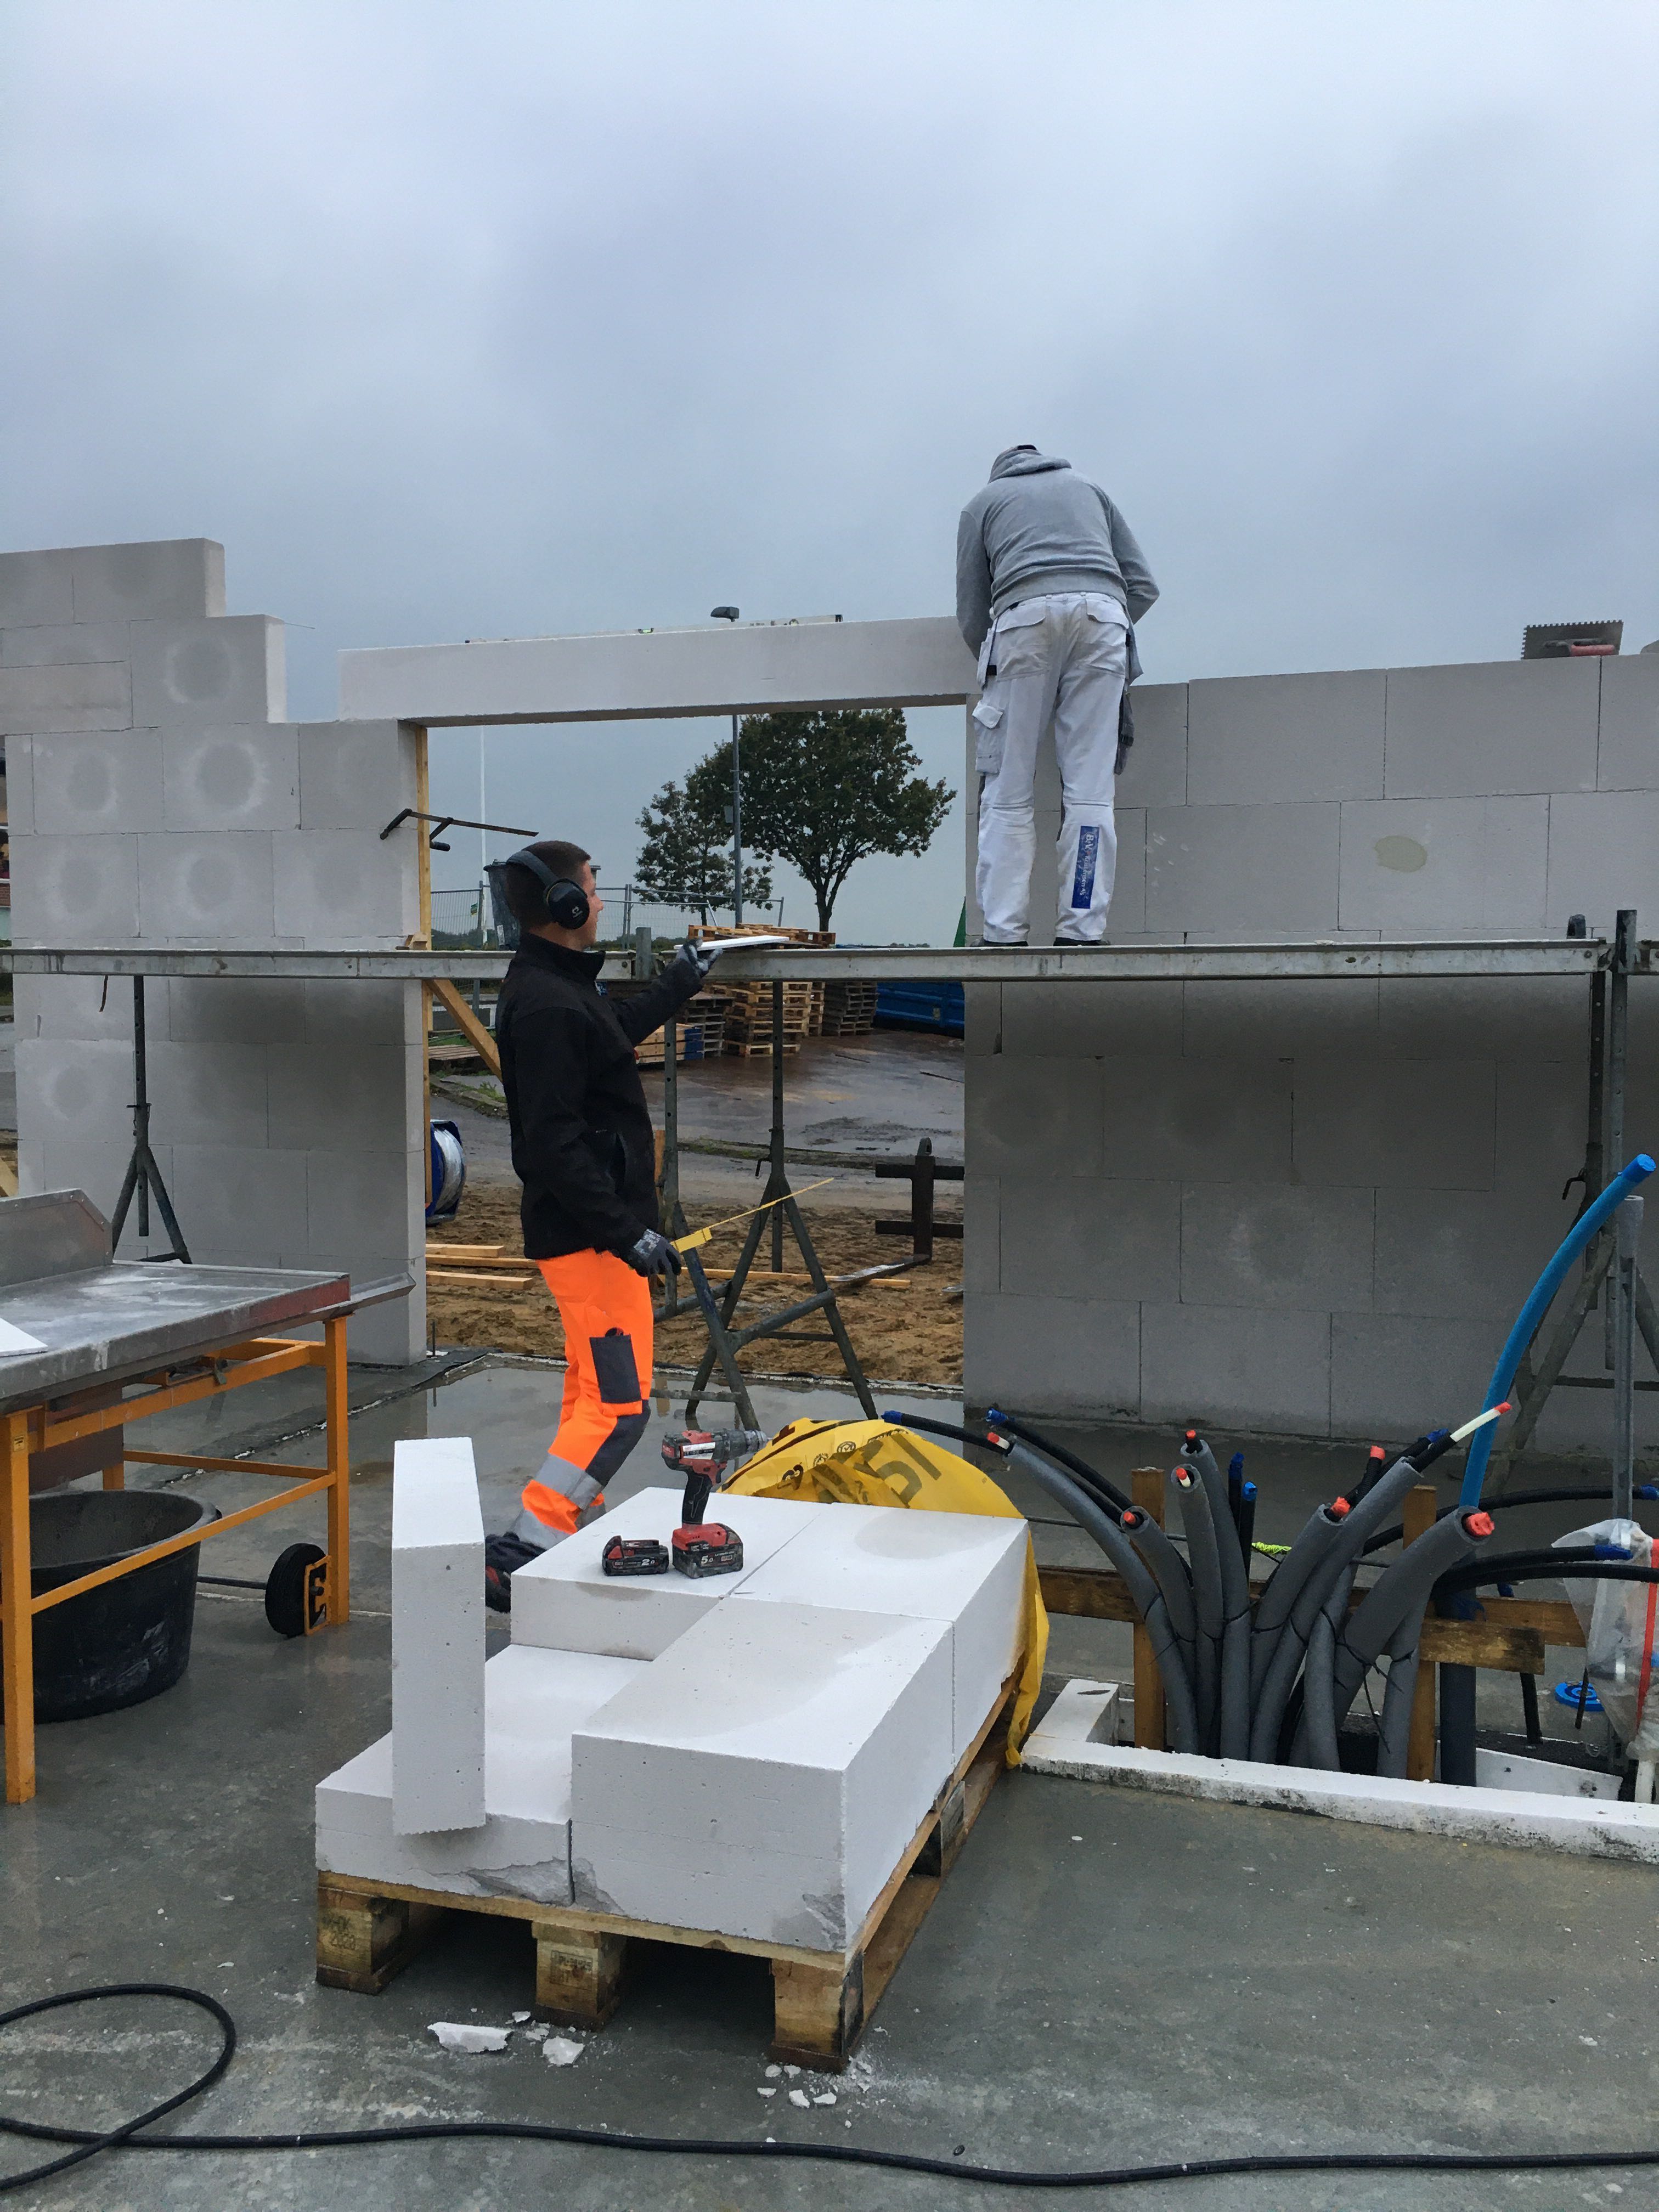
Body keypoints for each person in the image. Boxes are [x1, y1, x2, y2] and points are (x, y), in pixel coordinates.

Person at [479, 839, 716, 1610]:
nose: (602, 901)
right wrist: (626, 1232)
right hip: (590, 1241)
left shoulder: (558, 987)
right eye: (592, 888)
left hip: (590, 1236)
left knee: (591, 1394)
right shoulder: (548, 1003)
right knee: (620, 1409)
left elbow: (612, 1028)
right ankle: (527, 1545)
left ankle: (563, 1525)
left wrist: (679, 982)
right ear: (566, 905)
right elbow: (549, 1143)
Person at [956, 445, 1158, 946]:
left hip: (1023, 623)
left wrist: (998, 663)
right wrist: (1101, 624)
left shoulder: (983, 503)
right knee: (1090, 793)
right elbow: (1143, 585)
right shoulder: (1091, 489)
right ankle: (1082, 930)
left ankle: (1004, 932)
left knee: (1008, 791)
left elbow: (973, 611)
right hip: (1105, 621)